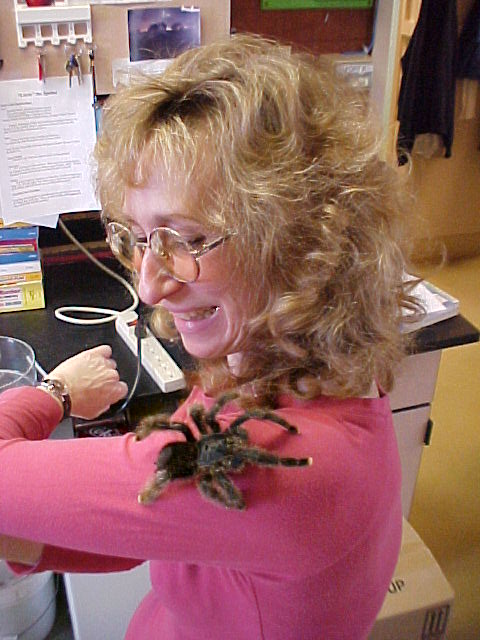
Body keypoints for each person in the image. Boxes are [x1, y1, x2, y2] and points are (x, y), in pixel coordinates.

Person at [0, 34, 419, 639]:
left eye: (189, 239)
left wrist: (55, 394)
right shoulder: (279, 363)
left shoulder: (277, 461)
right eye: (136, 237)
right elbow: (164, 534)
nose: (148, 286)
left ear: (299, 239)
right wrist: (29, 536)